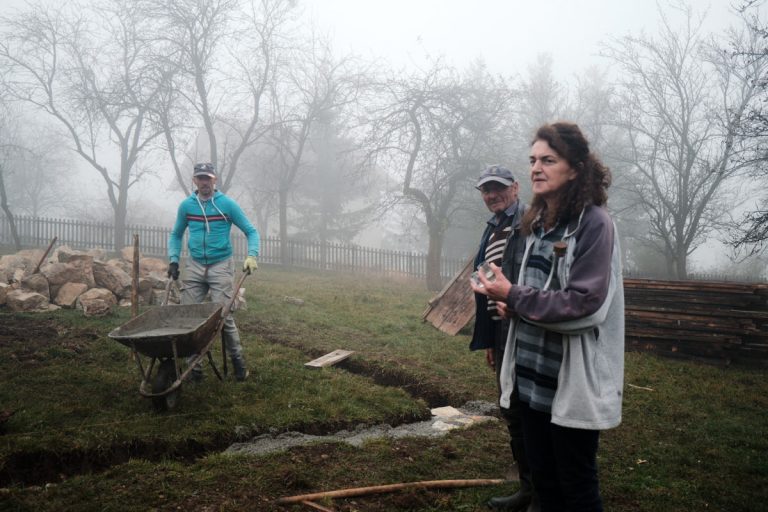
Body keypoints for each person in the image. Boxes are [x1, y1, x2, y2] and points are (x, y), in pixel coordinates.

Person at [471, 122, 624, 512]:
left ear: (576, 169)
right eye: (533, 160)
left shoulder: (594, 224)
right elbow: (535, 292)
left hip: (568, 380)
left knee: (576, 486)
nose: (536, 168)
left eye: (549, 160)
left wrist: (514, 296)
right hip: (530, 376)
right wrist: (511, 305)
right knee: (544, 483)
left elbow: (584, 304)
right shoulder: (537, 224)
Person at [469, 165, 536, 512]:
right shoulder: (493, 227)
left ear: (515, 187)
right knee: (510, 407)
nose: (492, 194)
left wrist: (518, 306)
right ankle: (528, 488)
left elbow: (534, 274)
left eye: (498, 187)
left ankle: (541, 492)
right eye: (486, 190)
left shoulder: (527, 221)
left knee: (530, 409)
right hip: (501, 332)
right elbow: (486, 280)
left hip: (525, 327)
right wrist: (489, 340)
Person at [167, 162, 260, 382]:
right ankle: (194, 370)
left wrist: (252, 255)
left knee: (223, 317)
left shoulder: (227, 204)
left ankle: (238, 362)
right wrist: (173, 260)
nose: (204, 182)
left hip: (221, 265)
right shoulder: (186, 206)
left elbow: (251, 231)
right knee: (190, 316)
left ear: (214, 180)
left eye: (207, 178)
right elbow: (176, 234)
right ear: (195, 181)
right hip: (195, 265)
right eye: (200, 178)